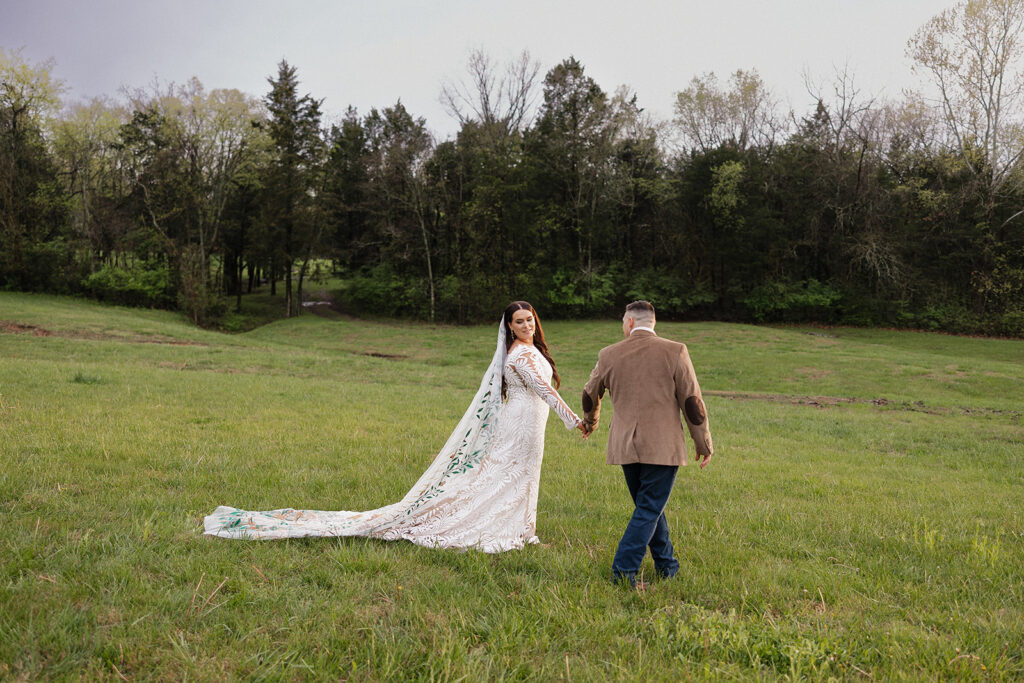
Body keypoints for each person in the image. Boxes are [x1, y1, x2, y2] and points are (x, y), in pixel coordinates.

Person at [204, 301, 585, 552]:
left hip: (531, 424)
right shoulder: (519, 356)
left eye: (530, 319)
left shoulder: (533, 349)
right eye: (519, 322)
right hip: (521, 423)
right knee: (507, 477)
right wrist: (578, 422)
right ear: (508, 326)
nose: (526, 325)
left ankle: (522, 529)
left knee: (524, 476)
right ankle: (509, 531)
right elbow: (545, 392)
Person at [580, 300, 713, 587]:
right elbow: (692, 402)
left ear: (629, 322)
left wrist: (590, 424)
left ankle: (668, 567)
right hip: (663, 447)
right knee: (650, 507)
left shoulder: (608, 354)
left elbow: (590, 395)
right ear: (653, 323)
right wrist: (703, 443)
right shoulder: (675, 350)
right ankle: (623, 572)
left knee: (648, 507)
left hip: (625, 446)